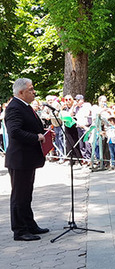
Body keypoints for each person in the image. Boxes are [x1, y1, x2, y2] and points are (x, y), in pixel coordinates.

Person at [5, 78, 49, 241]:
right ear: (21, 92)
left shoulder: (25, 106)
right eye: (30, 89)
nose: (34, 92)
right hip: (20, 158)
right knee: (19, 195)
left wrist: (41, 131)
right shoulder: (14, 108)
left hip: (27, 158)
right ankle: (20, 230)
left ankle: (29, 224)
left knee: (26, 194)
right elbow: (15, 132)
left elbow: (27, 126)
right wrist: (36, 137)